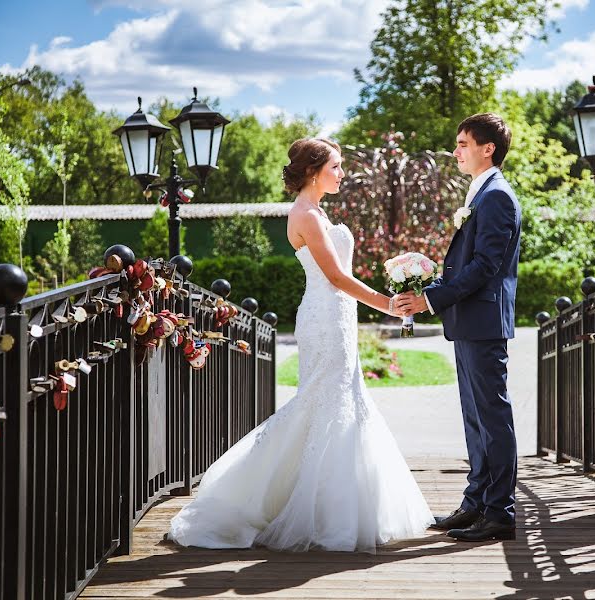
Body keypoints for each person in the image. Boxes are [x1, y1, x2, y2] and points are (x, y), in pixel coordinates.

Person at [167, 138, 434, 553]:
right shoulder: (305, 215)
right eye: (336, 166)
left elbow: (342, 276)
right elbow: (336, 277)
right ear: (313, 171)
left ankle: (336, 507)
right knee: (322, 404)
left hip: (337, 316)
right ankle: (278, 503)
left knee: (342, 402)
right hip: (325, 318)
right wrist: (389, 306)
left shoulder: (318, 212)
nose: (342, 173)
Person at [395, 113, 521, 542]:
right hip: (469, 321)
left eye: (463, 143)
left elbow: (485, 267)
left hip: (484, 322)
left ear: (488, 148)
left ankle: (500, 513)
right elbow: (467, 265)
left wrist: (429, 299)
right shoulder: (481, 193)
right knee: (475, 418)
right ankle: (476, 503)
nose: (456, 151)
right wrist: (427, 288)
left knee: (492, 417)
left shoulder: (497, 197)